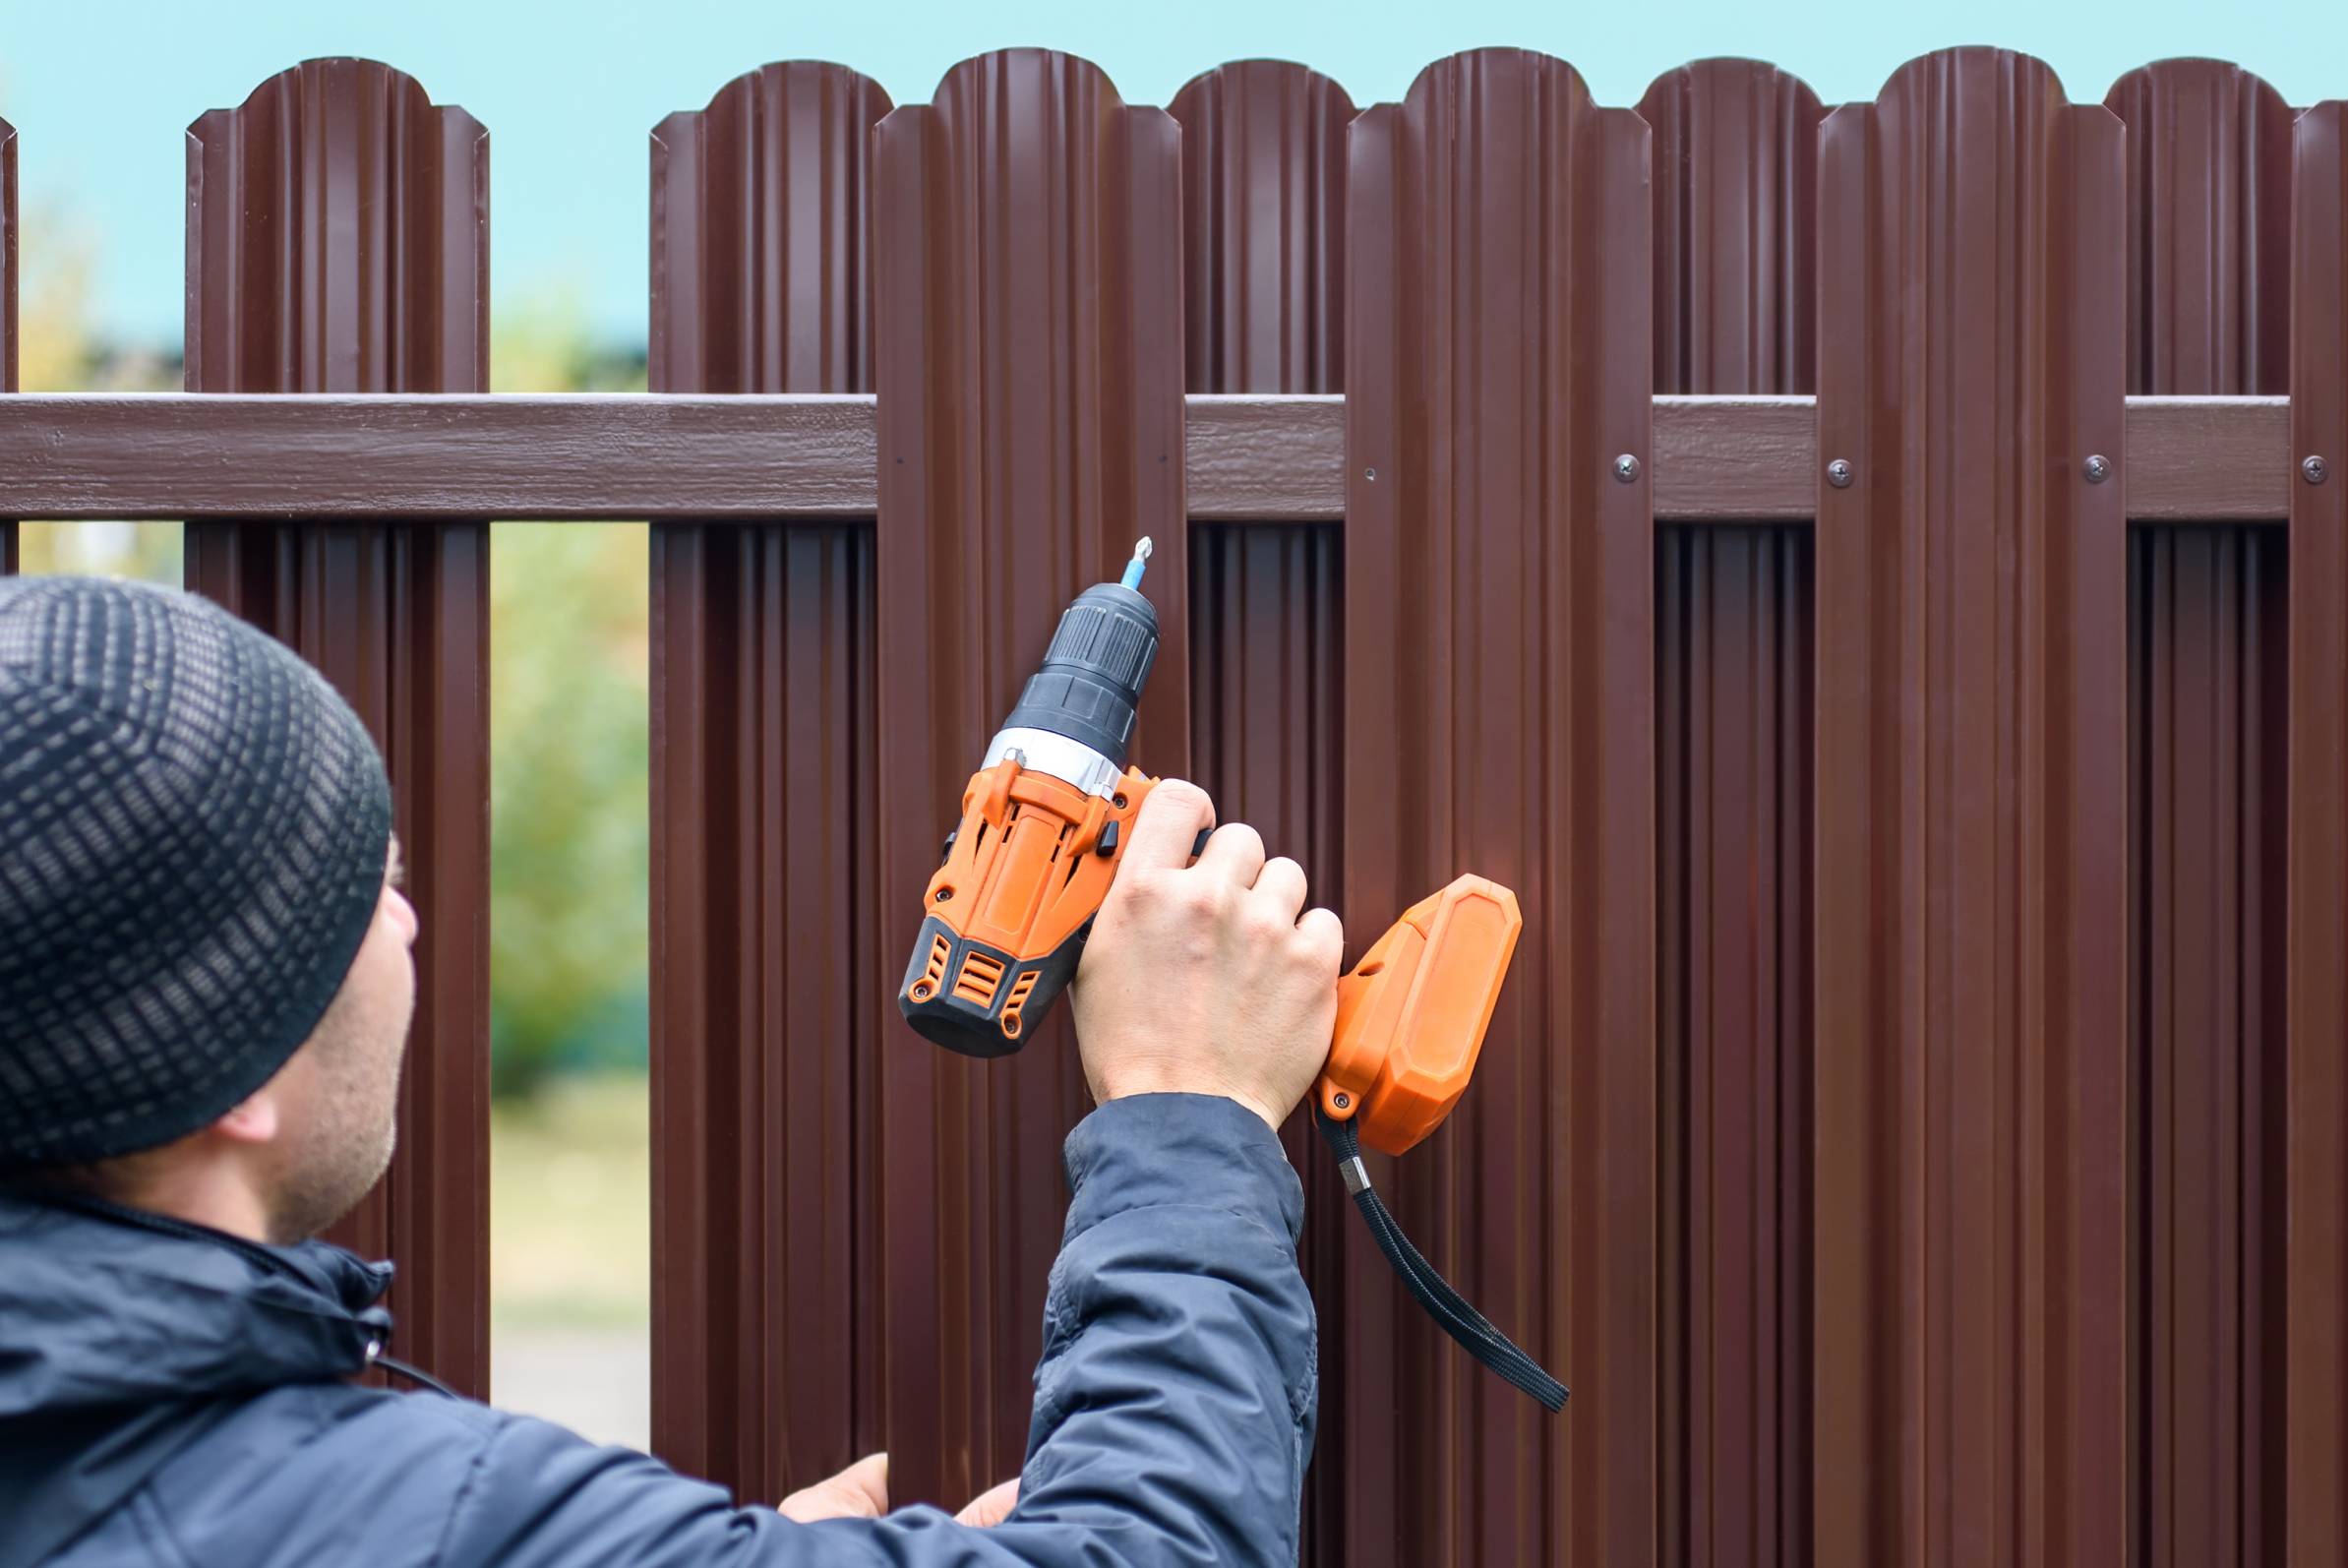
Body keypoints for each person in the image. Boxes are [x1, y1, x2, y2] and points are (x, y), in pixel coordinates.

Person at [0, 574, 1342, 1565]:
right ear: (236, 1061)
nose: (406, 921)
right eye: (371, 887)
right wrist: (1190, 1111)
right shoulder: (414, 1526)